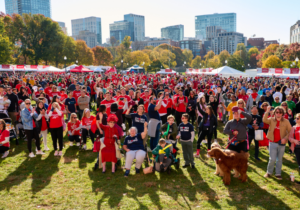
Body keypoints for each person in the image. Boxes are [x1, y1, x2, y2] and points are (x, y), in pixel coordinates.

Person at [263, 106, 291, 180]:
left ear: (282, 113)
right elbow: (264, 120)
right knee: (272, 159)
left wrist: (285, 138)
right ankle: (269, 172)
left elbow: (290, 131)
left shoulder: (286, 121)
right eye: (277, 112)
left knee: (279, 159)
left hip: (282, 143)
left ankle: (278, 173)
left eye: (280, 112)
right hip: (272, 142)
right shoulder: (271, 119)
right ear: (275, 113)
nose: (278, 114)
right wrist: (267, 111)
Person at [288, 113, 300, 181]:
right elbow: (290, 138)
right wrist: (294, 140)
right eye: (296, 118)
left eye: (297, 118)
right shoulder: (293, 127)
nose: (296, 120)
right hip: (297, 148)